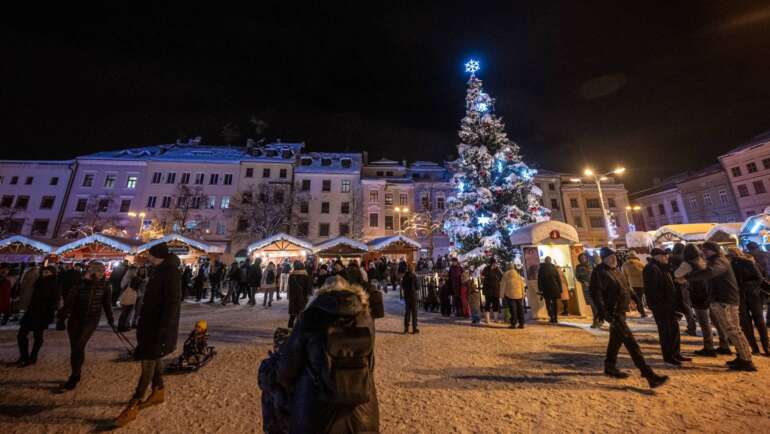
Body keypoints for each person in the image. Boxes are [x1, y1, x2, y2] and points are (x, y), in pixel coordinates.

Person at [277, 277, 379, 433]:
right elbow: (370, 365)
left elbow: (287, 369)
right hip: (362, 412)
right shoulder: (365, 318)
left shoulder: (310, 317)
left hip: (315, 412)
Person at [115, 242, 182, 427]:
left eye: (150, 255)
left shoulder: (170, 273)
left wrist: (164, 328)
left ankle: (135, 402)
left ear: (156, 256)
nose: (148, 258)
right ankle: (158, 390)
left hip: (157, 327)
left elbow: (172, 303)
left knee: (148, 362)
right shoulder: (160, 271)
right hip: (151, 324)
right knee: (154, 358)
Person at [591, 247, 668, 388]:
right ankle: (649, 375)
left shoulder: (616, 269)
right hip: (613, 314)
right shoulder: (599, 273)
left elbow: (625, 285)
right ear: (604, 259)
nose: (613, 259)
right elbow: (596, 295)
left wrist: (635, 297)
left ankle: (610, 366)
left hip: (621, 311)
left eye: (614, 256)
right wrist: (603, 313)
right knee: (632, 344)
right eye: (609, 257)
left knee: (615, 341)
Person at [686, 242, 757, 371]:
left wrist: (688, 277)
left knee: (733, 330)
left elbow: (710, 272)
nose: (704, 252)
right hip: (722, 300)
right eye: (703, 250)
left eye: (706, 250)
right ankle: (742, 356)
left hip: (725, 301)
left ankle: (746, 360)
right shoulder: (716, 260)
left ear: (714, 250)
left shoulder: (719, 261)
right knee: (732, 330)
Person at [57, 262, 115, 391]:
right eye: (95, 271)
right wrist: (61, 317)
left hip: (91, 320)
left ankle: (74, 376)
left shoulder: (105, 286)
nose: (97, 274)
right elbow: (68, 303)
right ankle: (76, 373)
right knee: (76, 347)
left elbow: (107, 304)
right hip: (75, 319)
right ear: (88, 271)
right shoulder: (78, 285)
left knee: (78, 345)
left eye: (100, 272)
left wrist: (111, 320)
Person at [674, 244, 730, 357]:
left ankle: (709, 347)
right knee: (717, 321)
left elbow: (677, 274)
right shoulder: (703, 260)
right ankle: (724, 344)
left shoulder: (687, 263)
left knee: (704, 323)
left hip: (699, 295)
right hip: (710, 293)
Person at [643, 248, 688, 365]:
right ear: (656, 256)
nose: (667, 257)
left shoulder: (663, 267)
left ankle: (676, 353)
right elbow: (652, 290)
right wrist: (659, 306)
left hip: (670, 305)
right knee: (666, 332)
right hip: (661, 306)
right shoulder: (651, 268)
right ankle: (669, 356)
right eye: (664, 256)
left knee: (674, 330)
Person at [726, 247, 769, 356]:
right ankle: (755, 348)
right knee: (746, 323)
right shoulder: (729, 265)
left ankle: (766, 347)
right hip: (739, 297)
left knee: (759, 321)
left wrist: (745, 287)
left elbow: (758, 278)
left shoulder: (747, 263)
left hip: (752, 295)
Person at [17, 265, 60, 367]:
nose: (45, 273)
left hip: (42, 313)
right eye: (44, 272)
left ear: (52, 273)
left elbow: (54, 301)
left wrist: (51, 315)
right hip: (33, 311)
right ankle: (26, 357)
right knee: (22, 335)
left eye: (47, 272)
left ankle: (31, 357)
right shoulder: (39, 282)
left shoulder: (54, 284)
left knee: (36, 336)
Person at [670, 243, 697, 336]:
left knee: (683, 305)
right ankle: (691, 326)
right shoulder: (684, 259)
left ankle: (691, 327)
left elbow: (673, 272)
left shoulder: (672, 258)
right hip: (685, 283)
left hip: (676, 284)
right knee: (686, 305)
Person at [745, 241, 770, 325]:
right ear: (757, 246)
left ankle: (759, 322)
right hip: (767, 280)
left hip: (754, 283)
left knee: (757, 303)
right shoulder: (767, 254)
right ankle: (768, 320)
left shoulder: (746, 256)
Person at [576, 253, 600, 327]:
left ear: (586, 258)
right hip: (586, 288)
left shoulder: (591, 265)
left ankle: (597, 320)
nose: (583, 259)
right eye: (581, 258)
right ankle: (597, 320)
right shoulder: (578, 267)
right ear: (579, 259)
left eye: (584, 257)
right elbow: (577, 277)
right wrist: (583, 282)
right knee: (592, 304)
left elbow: (597, 274)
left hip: (595, 287)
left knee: (596, 304)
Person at [287, 261, 312, 328]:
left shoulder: (291, 276)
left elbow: (289, 287)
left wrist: (289, 296)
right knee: (301, 315)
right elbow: (308, 288)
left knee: (292, 316)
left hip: (293, 298)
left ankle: (289, 330)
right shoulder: (305, 276)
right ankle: (299, 331)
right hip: (302, 298)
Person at [622, 251, 647, 317]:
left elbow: (624, 275)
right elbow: (645, 272)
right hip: (642, 283)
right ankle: (642, 311)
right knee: (640, 298)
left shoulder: (625, 264)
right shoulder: (640, 263)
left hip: (632, 284)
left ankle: (641, 312)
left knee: (636, 298)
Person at [537, 257, 562, 324]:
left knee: (548, 304)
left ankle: (552, 317)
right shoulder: (553, 268)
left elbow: (539, 280)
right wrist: (560, 288)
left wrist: (540, 289)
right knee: (554, 303)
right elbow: (558, 279)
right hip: (554, 288)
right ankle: (555, 317)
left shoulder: (542, 268)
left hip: (546, 288)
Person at [501, 263, 526, 329]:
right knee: (520, 309)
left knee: (513, 310)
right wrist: (523, 294)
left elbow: (503, 285)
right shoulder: (518, 274)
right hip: (519, 294)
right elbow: (522, 285)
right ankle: (522, 323)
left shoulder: (506, 274)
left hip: (510, 294)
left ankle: (513, 323)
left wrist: (501, 295)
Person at [481, 258, 502, 324]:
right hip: (489, 290)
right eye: (493, 263)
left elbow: (501, 277)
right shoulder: (486, 269)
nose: (494, 264)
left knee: (495, 304)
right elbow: (483, 276)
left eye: (495, 263)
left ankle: (496, 319)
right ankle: (487, 319)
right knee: (488, 304)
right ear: (491, 263)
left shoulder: (497, 269)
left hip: (495, 290)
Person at [402, 263, 420, 334]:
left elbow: (402, 285)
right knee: (414, 313)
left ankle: (406, 329)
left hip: (407, 296)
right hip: (413, 296)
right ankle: (414, 328)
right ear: (413, 269)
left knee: (407, 313)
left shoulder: (405, 276)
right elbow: (418, 286)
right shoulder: (414, 276)